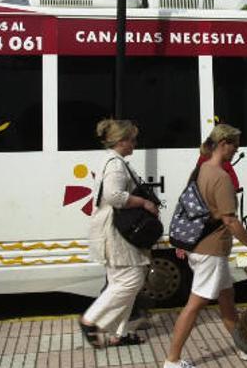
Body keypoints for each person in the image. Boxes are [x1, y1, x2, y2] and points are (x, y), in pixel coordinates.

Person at [163, 124, 247, 368]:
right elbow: (230, 220)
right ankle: (172, 361)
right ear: (223, 144)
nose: (236, 152)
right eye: (234, 146)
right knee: (194, 306)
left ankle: (243, 347)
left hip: (198, 247)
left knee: (227, 298)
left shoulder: (201, 170)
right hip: (212, 251)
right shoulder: (221, 178)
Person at [80, 119, 159, 348]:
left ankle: (118, 334)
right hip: (117, 233)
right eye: (133, 139)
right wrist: (144, 203)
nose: (135, 143)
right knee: (131, 281)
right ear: (122, 141)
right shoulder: (115, 164)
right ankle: (90, 320)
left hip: (114, 232)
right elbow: (114, 196)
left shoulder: (112, 160)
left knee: (120, 280)